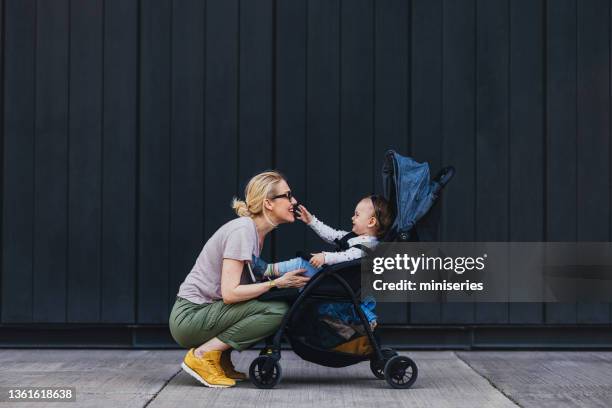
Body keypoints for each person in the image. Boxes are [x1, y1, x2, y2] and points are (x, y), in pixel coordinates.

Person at [169, 171, 310, 388]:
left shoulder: (255, 234)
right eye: (287, 195)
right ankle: (203, 355)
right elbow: (230, 293)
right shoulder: (243, 231)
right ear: (268, 203)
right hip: (190, 316)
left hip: (203, 313)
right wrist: (276, 283)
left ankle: (219, 359)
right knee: (276, 311)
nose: (294, 201)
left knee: (274, 305)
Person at [252, 195, 393, 327]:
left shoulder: (368, 246)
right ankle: (271, 282)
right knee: (300, 278)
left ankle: (266, 270)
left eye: (357, 215)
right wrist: (312, 221)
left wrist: (325, 257)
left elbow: (346, 257)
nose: (352, 218)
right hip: (337, 278)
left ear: (371, 221)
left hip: (340, 281)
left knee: (302, 264)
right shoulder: (355, 237)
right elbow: (333, 235)